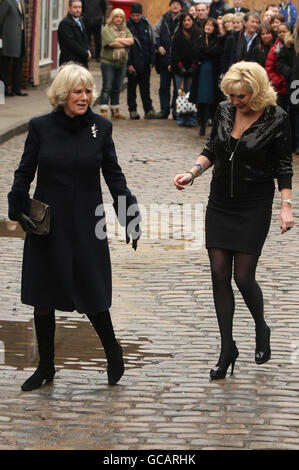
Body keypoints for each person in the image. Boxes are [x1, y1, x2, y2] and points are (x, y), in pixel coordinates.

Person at [7, 62, 141, 392]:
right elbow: (24, 173)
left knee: (92, 289)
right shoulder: (40, 128)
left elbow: (114, 175)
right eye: (77, 92)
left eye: (87, 91)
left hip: (86, 222)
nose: (84, 97)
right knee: (43, 293)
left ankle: (113, 351)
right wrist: (17, 206)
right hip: (48, 223)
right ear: (63, 94)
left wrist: (129, 214)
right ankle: (46, 366)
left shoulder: (100, 128)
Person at [173, 61, 294, 380]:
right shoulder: (225, 110)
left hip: (253, 204)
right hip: (220, 203)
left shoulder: (277, 117)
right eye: (232, 95)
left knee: (243, 277)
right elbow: (212, 148)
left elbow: (283, 164)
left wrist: (286, 205)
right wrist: (192, 172)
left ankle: (261, 326)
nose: (235, 101)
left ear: (255, 91)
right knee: (218, 273)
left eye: (241, 96)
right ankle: (227, 348)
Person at [98, 8, 133, 119]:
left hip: (122, 62)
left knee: (117, 87)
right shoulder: (107, 29)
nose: (118, 19)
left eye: (120, 17)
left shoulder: (125, 29)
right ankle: (103, 110)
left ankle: (115, 110)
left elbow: (131, 41)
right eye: (116, 17)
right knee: (107, 86)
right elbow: (111, 43)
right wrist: (124, 42)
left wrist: (118, 39)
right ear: (112, 18)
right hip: (108, 62)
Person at [190, 17, 220, 136]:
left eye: (211, 26)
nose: (208, 27)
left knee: (213, 98)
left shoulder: (217, 40)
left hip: (213, 72)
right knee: (201, 98)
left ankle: (213, 122)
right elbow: (196, 52)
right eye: (207, 25)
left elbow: (215, 52)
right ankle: (202, 123)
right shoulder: (200, 39)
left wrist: (205, 51)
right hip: (201, 71)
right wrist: (205, 51)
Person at [126, 2, 157, 120]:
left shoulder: (146, 24)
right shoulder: (127, 25)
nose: (135, 18)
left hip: (145, 62)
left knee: (145, 88)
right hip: (133, 63)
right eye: (133, 15)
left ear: (141, 14)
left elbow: (151, 43)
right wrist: (129, 64)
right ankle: (132, 110)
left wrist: (152, 60)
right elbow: (127, 48)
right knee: (132, 88)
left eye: (137, 15)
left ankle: (148, 109)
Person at [153, 0, 183, 119]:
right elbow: (155, 33)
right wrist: (158, 46)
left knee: (177, 88)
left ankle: (175, 111)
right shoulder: (164, 18)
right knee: (164, 87)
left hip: (177, 60)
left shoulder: (184, 19)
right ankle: (164, 110)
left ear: (181, 7)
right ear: (170, 6)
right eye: (173, 4)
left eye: (178, 4)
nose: (175, 6)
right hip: (164, 59)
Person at [171, 12, 199, 126]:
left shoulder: (198, 34)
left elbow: (198, 52)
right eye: (184, 21)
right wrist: (180, 66)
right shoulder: (177, 35)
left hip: (193, 69)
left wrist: (193, 66)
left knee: (191, 93)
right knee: (180, 93)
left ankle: (191, 117)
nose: (187, 22)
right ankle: (181, 116)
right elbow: (175, 53)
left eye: (189, 20)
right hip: (180, 69)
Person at [277, 19, 299, 154]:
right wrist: (291, 73)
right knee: (296, 114)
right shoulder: (290, 44)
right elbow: (280, 62)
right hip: (296, 85)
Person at [0, 0, 28, 96]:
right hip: (8, 39)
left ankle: (16, 89)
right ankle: (4, 90)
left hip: (20, 38)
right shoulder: (7, 2)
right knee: (5, 65)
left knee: (18, 64)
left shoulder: (21, 2)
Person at [58, 0, 91, 68]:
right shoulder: (65, 24)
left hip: (81, 61)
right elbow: (71, 44)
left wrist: (88, 50)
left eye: (80, 7)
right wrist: (86, 54)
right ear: (69, 8)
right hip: (70, 62)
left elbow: (85, 39)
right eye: (75, 7)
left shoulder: (80, 21)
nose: (78, 10)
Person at [265, 22, 289, 110]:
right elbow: (269, 69)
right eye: (280, 32)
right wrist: (279, 81)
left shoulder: (293, 47)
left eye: (284, 32)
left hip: (292, 86)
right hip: (279, 88)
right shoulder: (274, 49)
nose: (282, 34)